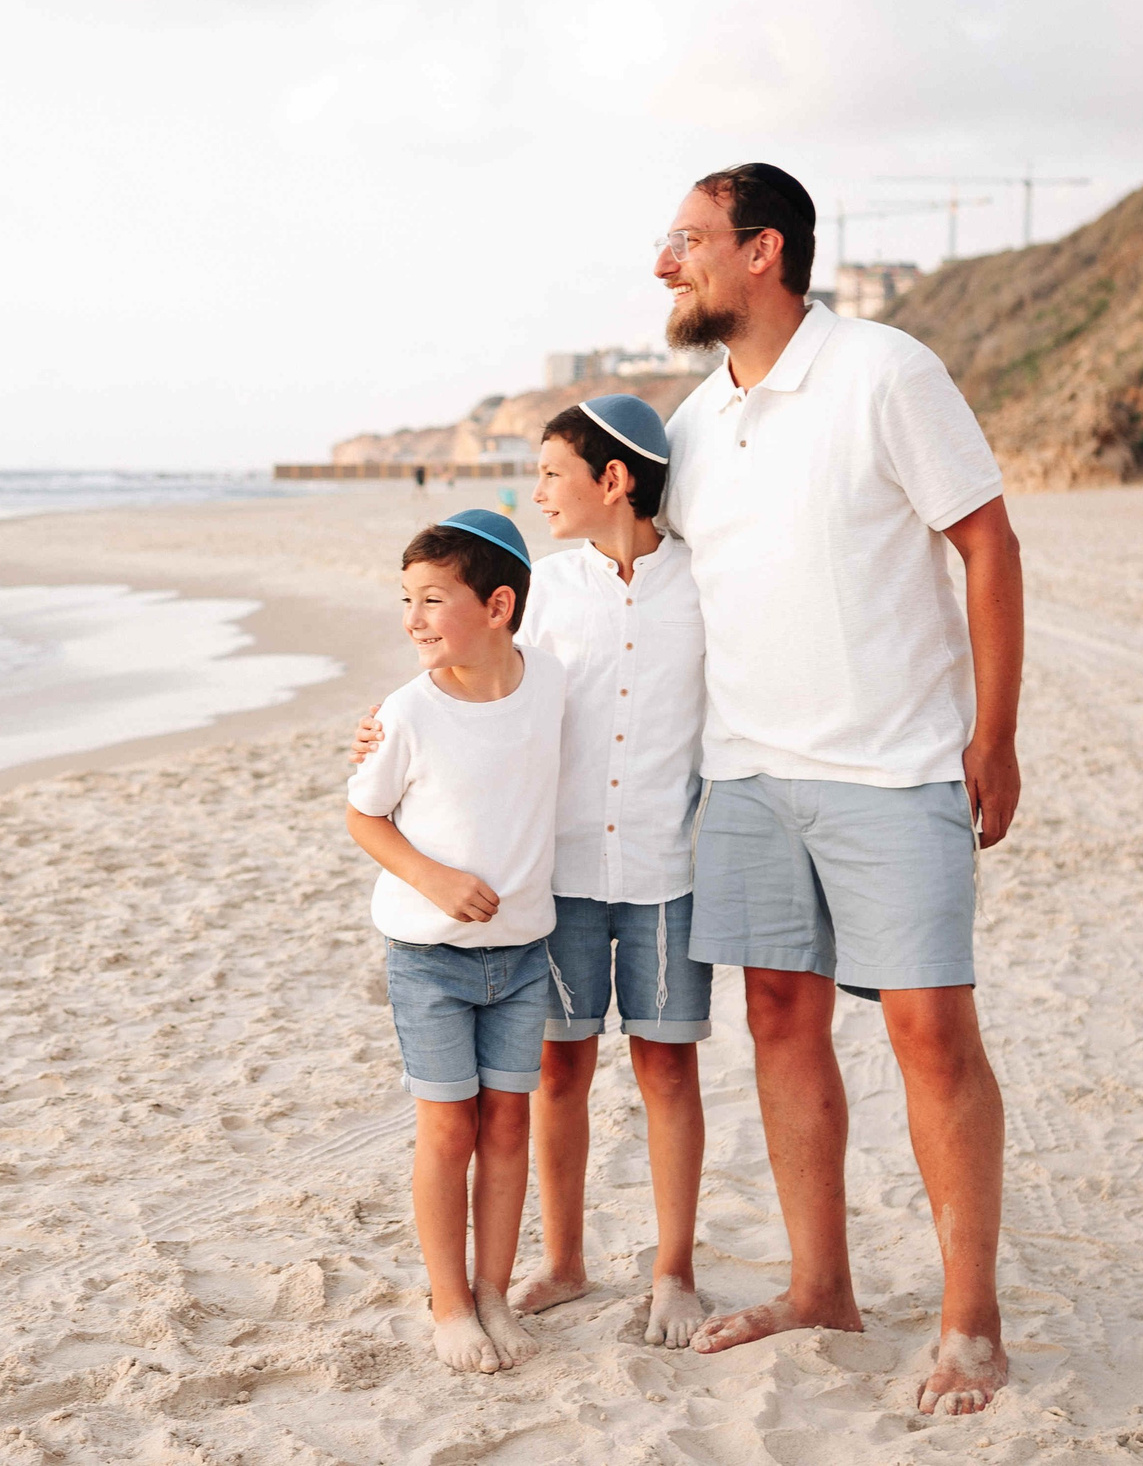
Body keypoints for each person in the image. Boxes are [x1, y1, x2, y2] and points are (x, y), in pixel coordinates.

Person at [656, 162, 1025, 1417]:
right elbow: (642, 593)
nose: (670, 262)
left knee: (930, 1033)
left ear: (762, 252)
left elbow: (986, 540)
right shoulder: (695, 424)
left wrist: (997, 732)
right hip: (749, 772)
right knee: (776, 1019)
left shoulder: (884, 370)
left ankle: (970, 1319)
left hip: (897, 763)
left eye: (690, 240)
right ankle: (822, 1286)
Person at [354, 395, 710, 1347]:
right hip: (553, 877)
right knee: (559, 1068)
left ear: (615, 480)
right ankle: (562, 1260)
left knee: (668, 1063)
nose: (539, 489)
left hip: (665, 865)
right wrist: (388, 725)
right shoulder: (544, 587)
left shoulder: (702, 583)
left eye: (552, 472)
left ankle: (674, 1269)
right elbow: (469, 675)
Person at [344, 511, 567, 1375]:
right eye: (407, 599)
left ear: (499, 605)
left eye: (434, 599)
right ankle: (448, 1304)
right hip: (429, 959)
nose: (413, 617)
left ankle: (494, 1294)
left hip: (520, 956)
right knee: (448, 1131)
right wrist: (433, 878)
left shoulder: (549, 683)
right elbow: (364, 815)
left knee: (508, 1125)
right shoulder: (406, 711)